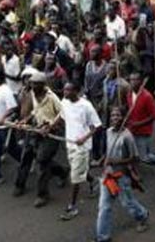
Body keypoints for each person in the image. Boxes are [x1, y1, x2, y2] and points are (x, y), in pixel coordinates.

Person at [95, 106, 150, 242]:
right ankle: (103, 237)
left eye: (118, 115)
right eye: (112, 115)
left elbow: (135, 158)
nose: (114, 118)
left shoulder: (127, 136)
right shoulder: (108, 132)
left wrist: (116, 161)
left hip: (121, 176)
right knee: (104, 207)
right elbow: (107, 151)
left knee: (127, 203)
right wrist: (102, 160)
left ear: (124, 118)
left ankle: (142, 215)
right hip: (107, 175)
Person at [14, 71, 68, 207]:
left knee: (42, 161)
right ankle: (19, 185)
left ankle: (42, 195)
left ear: (43, 85)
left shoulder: (52, 97)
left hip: (51, 133)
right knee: (26, 155)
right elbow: (35, 111)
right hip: (36, 129)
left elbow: (63, 114)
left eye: (35, 84)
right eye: (31, 83)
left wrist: (50, 127)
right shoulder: (32, 93)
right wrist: (24, 121)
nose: (32, 86)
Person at [57, 82, 101, 221]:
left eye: (68, 90)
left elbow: (96, 127)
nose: (65, 92)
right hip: (70, 143)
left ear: (76, 91)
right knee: (77, 169)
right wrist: (50, 125)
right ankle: (94, 181)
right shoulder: (64, 101)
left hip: (82, 146)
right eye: (64, 89)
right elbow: (61, 116)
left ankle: (72, 206)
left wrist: (84, 138)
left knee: (74, 177)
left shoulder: (86, 106)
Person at [126, 72, 155, 173]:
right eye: (131, 80)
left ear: (141, 82)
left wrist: (139, 123)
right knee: (131, 150)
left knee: (144, 157)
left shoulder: (147, 96)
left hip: (143, 131)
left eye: (135, 80)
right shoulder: (129, 94)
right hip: (131, 129)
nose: (133, 82)